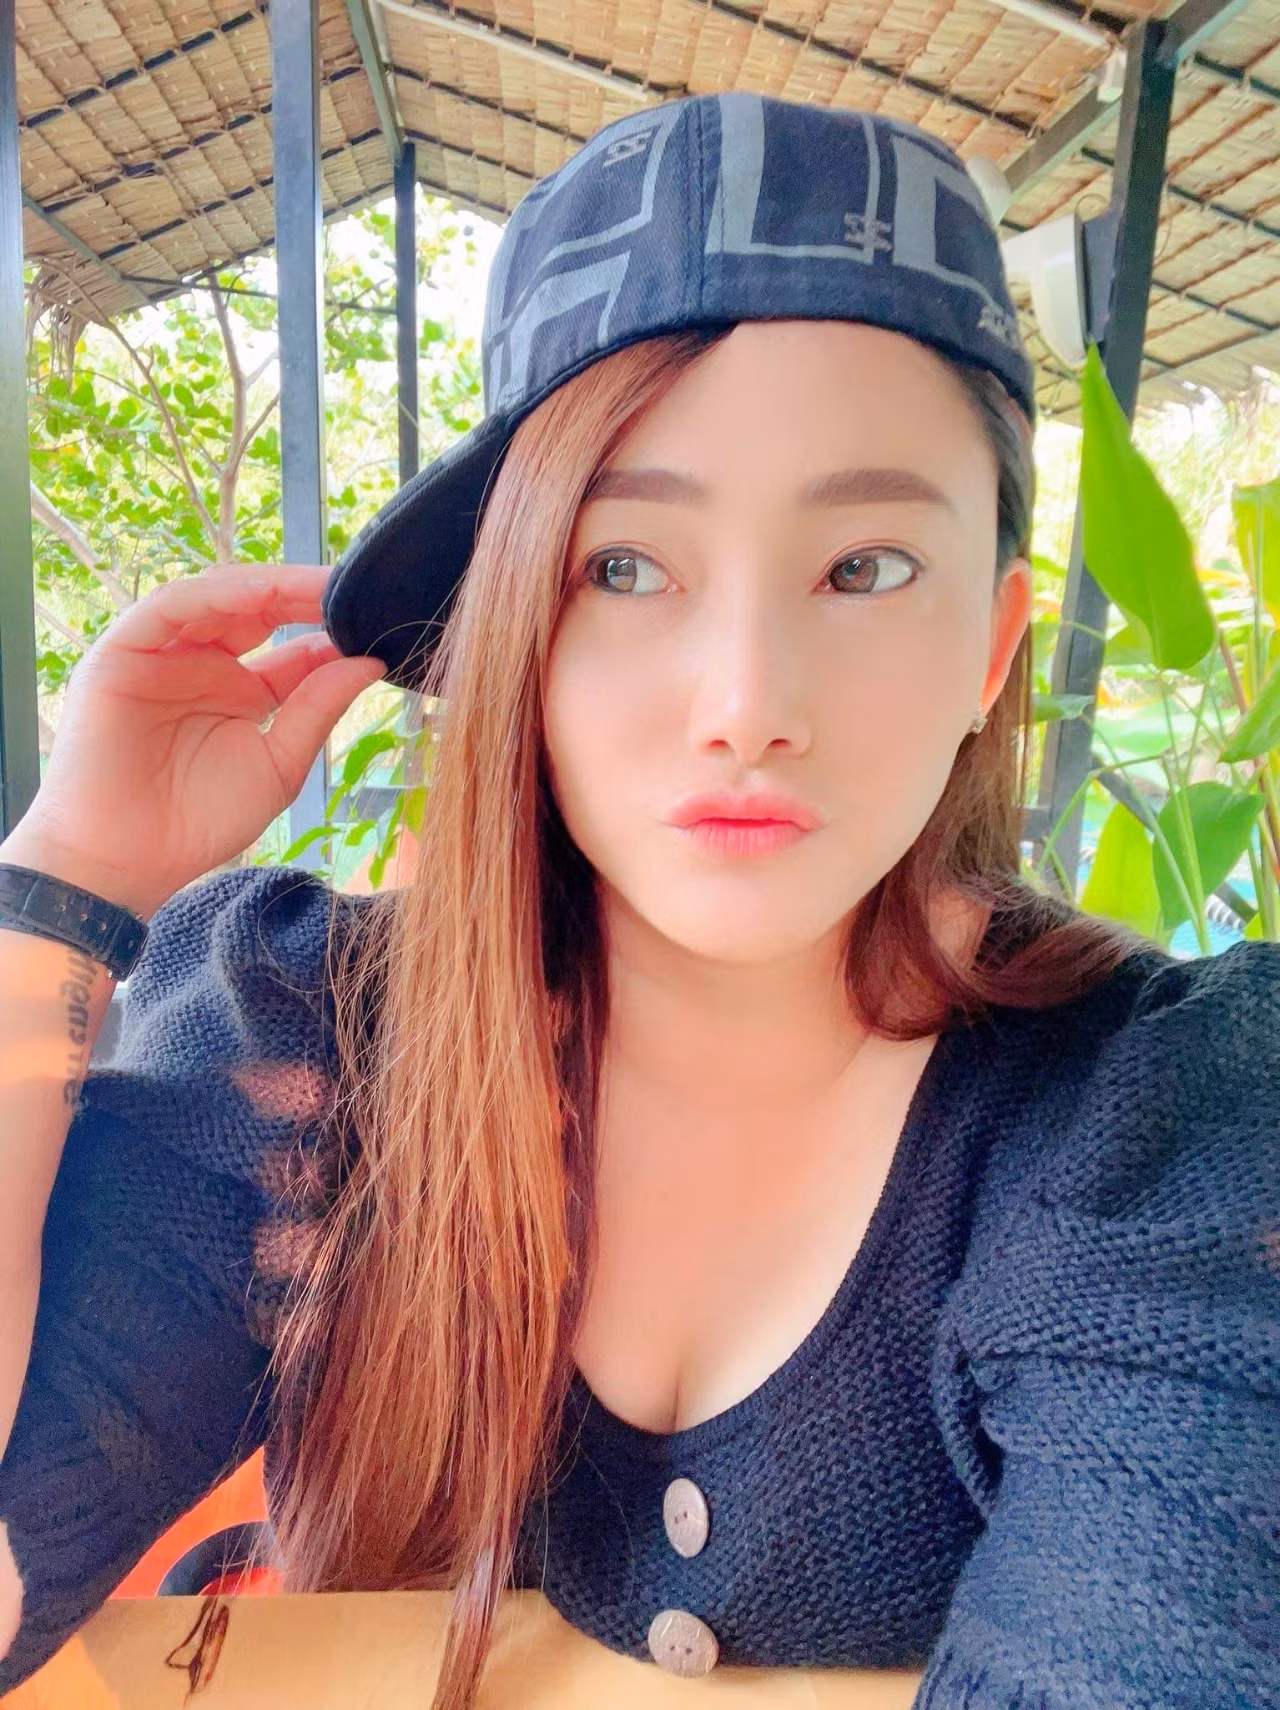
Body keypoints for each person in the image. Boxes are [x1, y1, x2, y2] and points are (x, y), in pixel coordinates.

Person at [0, 89, 1276, 1710]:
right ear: (511, 628)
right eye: (623, 566)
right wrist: (65, 886)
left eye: (866, 565)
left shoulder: (1164, 1125)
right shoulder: (307, 1040)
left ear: (991, 646)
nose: (747, 701)